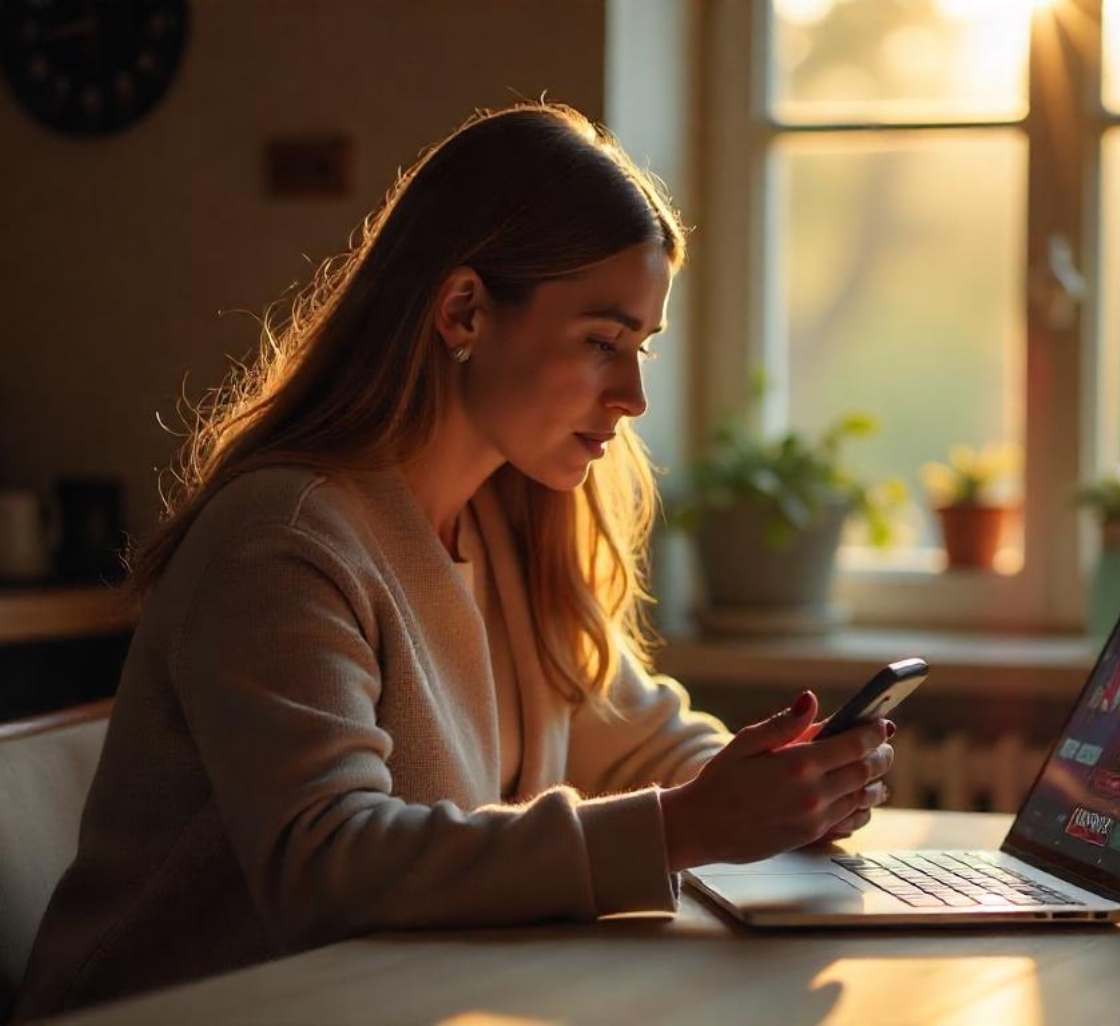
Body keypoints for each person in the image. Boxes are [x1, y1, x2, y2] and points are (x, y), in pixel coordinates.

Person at [14, 102, 895, 1020]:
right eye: (602, 342)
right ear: (464, 310)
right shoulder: (283, 538)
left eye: (640, 348)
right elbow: (328, 865)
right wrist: (689, 826)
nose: (632, 395)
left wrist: (783, 788)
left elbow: (635, 742)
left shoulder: (512, 524)